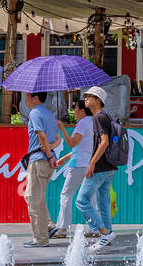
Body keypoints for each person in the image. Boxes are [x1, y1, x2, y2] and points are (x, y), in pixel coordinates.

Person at [74, 85, 117, 251]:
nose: (85, 99)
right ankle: (108, 234)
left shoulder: (99, 117)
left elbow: (104, 142)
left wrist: (91, 163)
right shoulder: (106, 116)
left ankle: (104, 233)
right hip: (110, 166)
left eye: (89, 96)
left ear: (98, 100)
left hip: (100, 167)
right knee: (103, 203)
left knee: (81, 201)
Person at [49, 96, 94, 239]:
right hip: (89, 164)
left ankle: (62, 228)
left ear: (82, 110)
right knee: (90, 197)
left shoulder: (82, 124)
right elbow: (83, 146)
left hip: (78, 165)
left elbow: (73, 143)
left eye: (75, 109)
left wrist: (62, 128)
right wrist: (65, 157)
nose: (74, 112)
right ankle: (95, 228)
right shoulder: (94, 122)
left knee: (66, 195)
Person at [21, 90, 60, 247]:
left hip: (39, 160)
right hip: (46, 160)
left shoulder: (35, 113)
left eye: (28, 96)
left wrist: (49, 155)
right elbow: (58, 139)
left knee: (34, 199)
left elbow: (41, 136)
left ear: (35, 98)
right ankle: (49, 226)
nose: (26, 99)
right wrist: (51, 152)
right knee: (33, 196)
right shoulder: (50, 114)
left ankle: (40, 239)